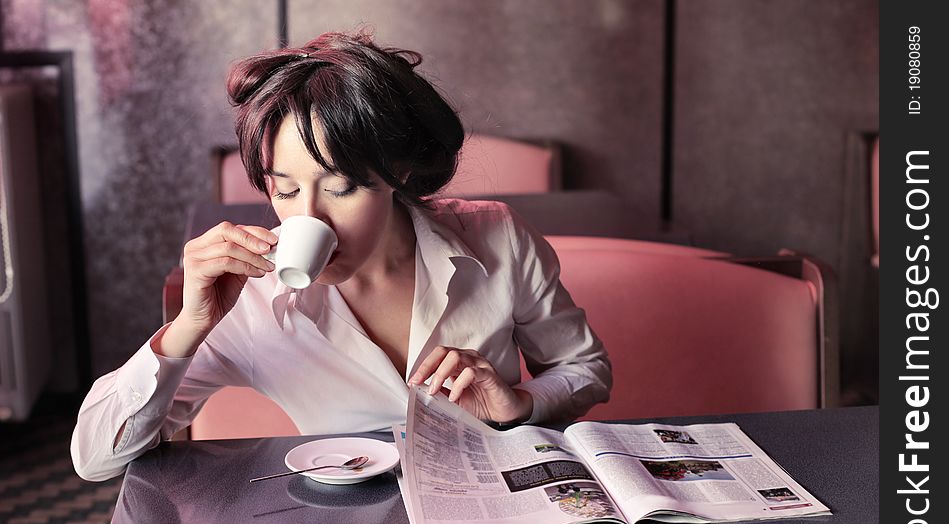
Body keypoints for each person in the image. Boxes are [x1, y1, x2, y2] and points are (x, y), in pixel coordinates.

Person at [71, 30, 611, 482]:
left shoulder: (499, 239)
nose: (310, 219)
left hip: (498, 513)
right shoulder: (250, 300)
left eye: (341, 187)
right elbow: (96, 459)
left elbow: (584, 368)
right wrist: (189, 327)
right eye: (284, 191)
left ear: (398, 171)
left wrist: (519, 404)